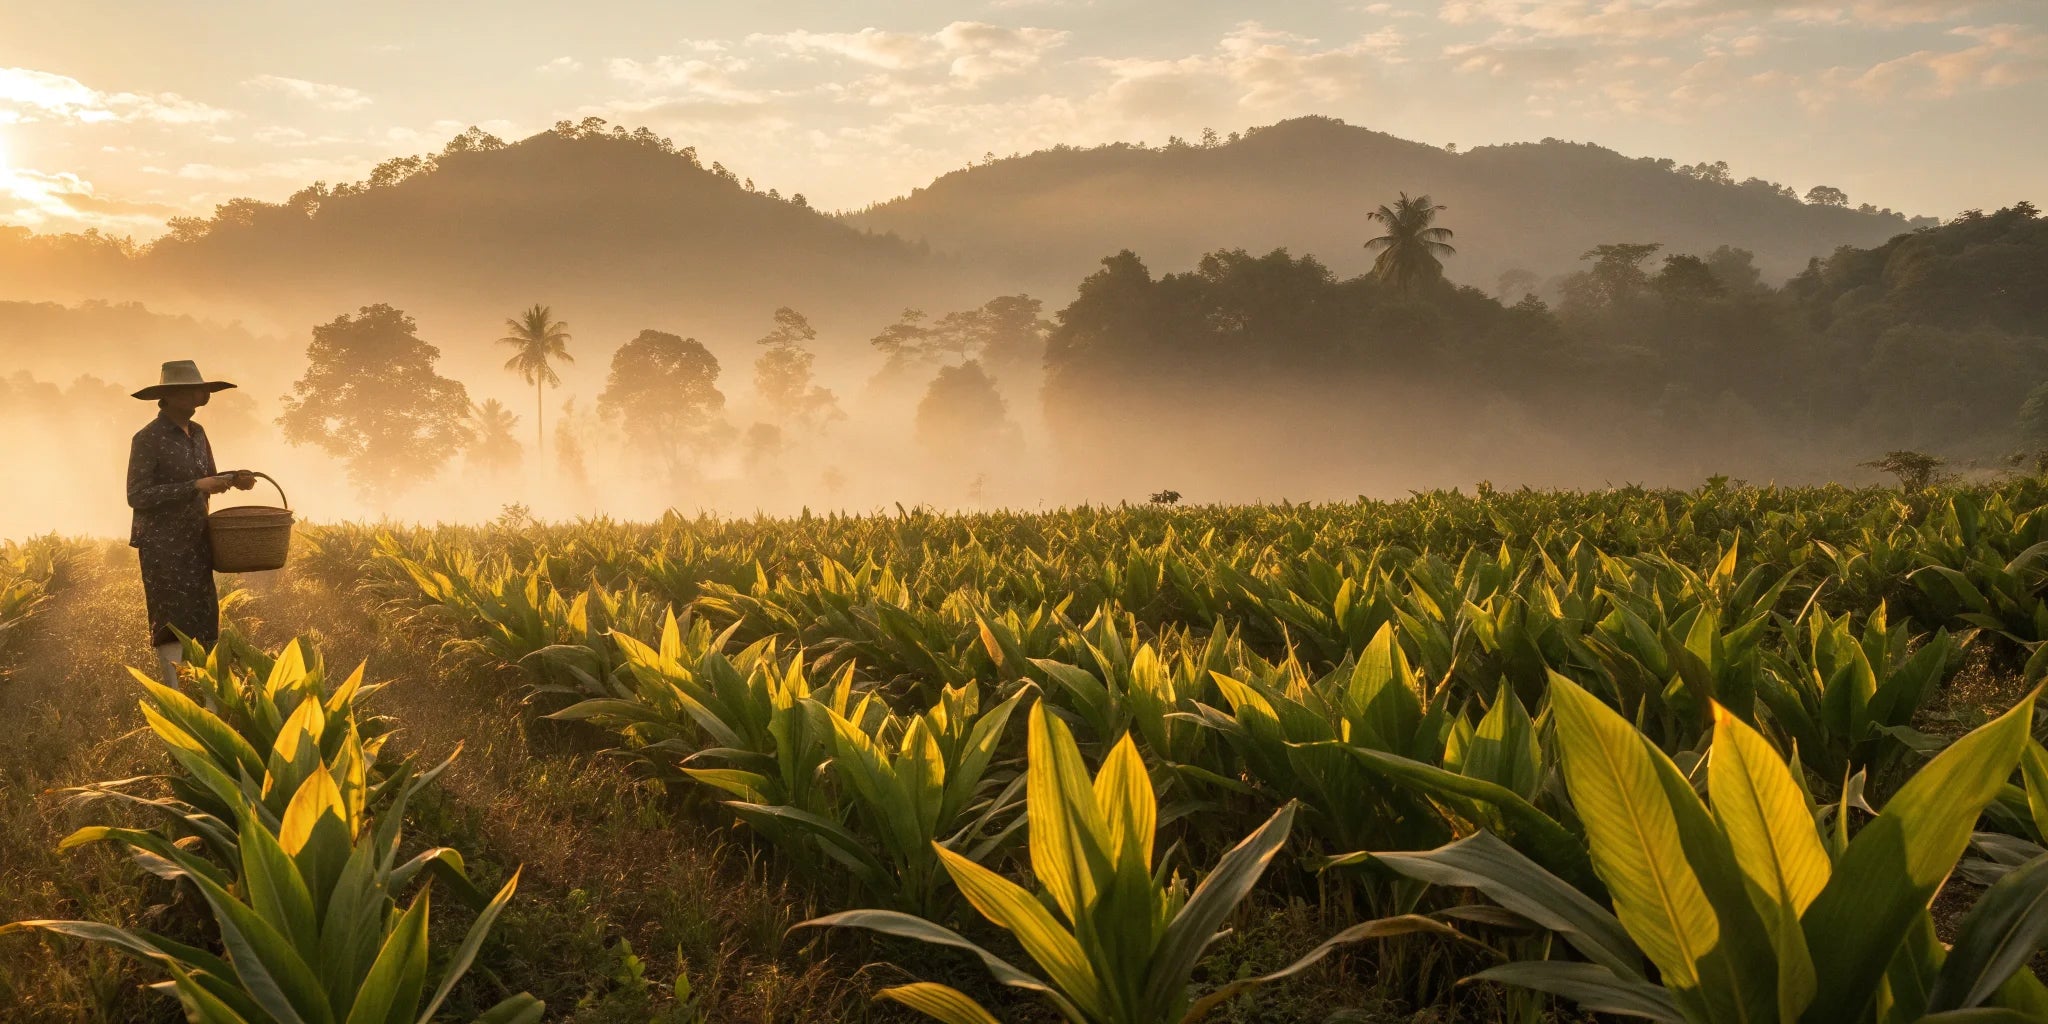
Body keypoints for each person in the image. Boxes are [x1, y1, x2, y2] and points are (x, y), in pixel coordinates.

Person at [125, 360, 254, 682]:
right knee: (171, 620)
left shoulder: (197, 433)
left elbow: (206, 478)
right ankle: (176, 693)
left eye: (201, 390)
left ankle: (206, 692)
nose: (200, 396)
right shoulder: (147, 438)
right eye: (192, 390)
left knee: (204, 617)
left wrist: (233, 478)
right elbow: (137, 496)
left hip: (197, 538)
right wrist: (193, 487)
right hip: (162, 545)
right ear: (168, 397)